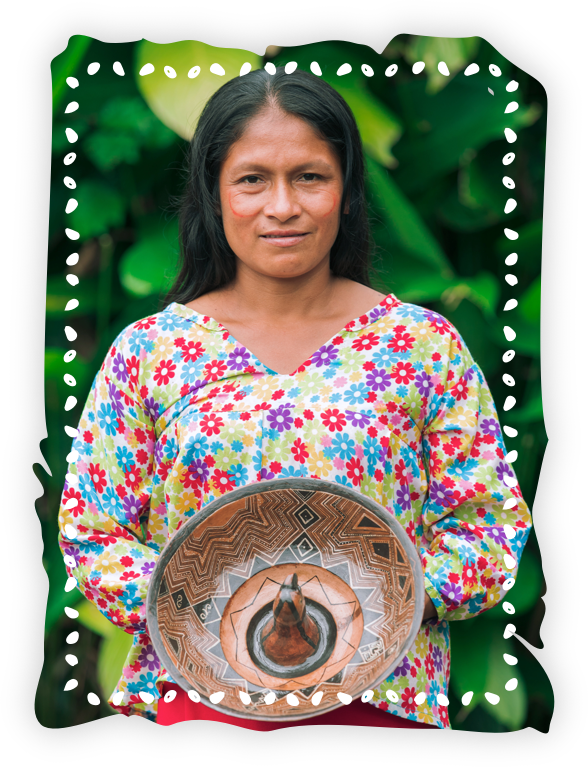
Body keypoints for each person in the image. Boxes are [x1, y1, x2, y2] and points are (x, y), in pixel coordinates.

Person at [58, 66, 532, 731]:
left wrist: (377, 599)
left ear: (347, 191)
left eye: (310, 176)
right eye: (252, 179)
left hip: (376, 703)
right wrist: (214, 605)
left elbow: (489, 523)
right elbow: (92, 529)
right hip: (204, 703)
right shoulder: (152, 352)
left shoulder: (422, 346)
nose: (282, 206)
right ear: (214, 193)